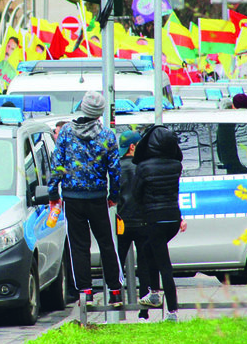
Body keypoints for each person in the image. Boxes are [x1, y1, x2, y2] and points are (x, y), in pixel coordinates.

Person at [48, 91, 123, 307]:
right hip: (98, 198)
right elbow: (115, 170)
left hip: (72, 198)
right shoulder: (107, 135)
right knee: (107, 244)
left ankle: (86, 293)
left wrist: (54, 193)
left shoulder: (66, 133)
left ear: (81, 107)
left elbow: (57, 166)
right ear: (100, 112)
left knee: (79, 246)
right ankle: (115, 292)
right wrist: (113, 195)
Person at [133, 125, 186, 322]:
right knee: (148, 251)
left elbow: (137, 194)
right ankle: (154, 293)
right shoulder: (176, 166)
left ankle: (170, 309)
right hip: (173, 217)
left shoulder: (144, 167)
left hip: (155, 219)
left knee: (164, 264)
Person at [114, 130, 151, 322]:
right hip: (143, 221)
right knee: (144, 264)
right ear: (134, 148)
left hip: (122, 222)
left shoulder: (117, 167)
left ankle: (115, 301)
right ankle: (144, 308)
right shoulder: (143, 167)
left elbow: (113, 196)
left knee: (117, 262)